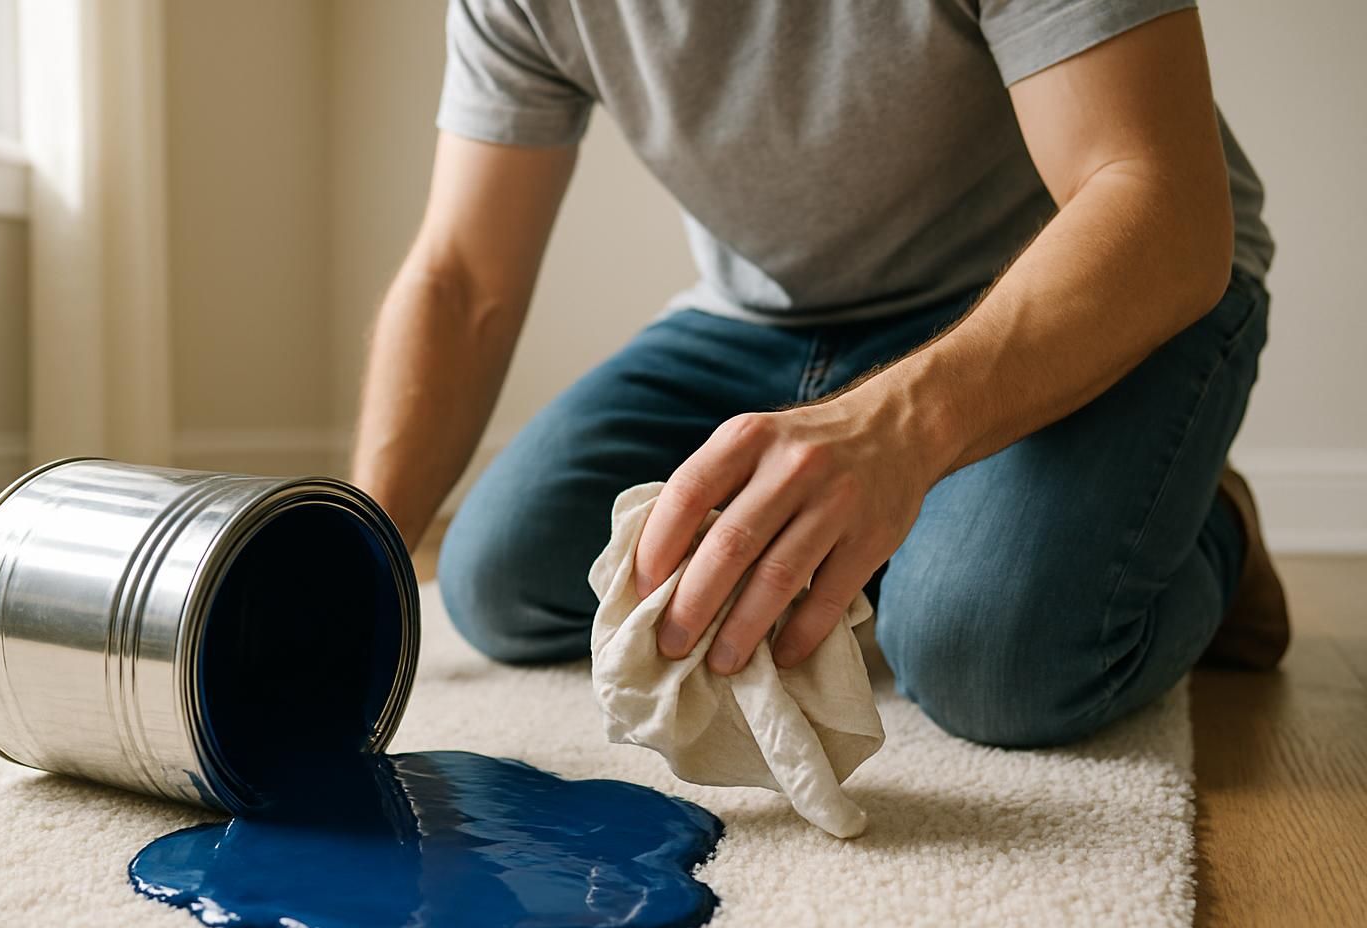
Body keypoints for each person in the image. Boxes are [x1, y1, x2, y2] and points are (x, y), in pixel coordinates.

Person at [349, 0, 1290, 748]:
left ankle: (1211, 526)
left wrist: (891, 433)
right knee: (501, 574)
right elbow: (462, 280)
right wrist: (348, 558)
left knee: (988, 660)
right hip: (770, 323)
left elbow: (1159, 206)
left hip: (1067, 294)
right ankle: (898, 531)